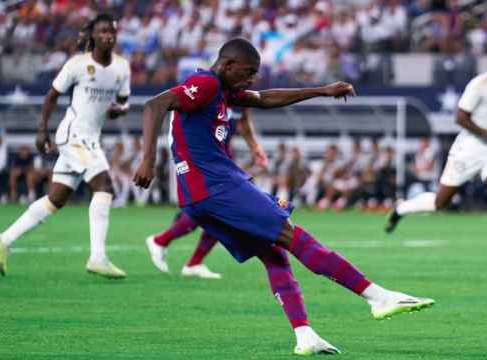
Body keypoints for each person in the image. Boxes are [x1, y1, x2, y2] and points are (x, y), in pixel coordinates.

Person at [133, 38, 434, 356]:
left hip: (199, 195)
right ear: (228, 64)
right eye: (248, 72)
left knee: (274, 253)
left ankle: (305, 336)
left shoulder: (221, 89)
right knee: (292, 234)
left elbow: (263, 99)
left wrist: (320, 91)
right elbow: (154, 104)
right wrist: (147, 160)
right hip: (217, 184)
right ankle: (377, 297)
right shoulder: (205, 82)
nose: (251, 80)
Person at [0, 14, 130, 278]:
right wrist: (42, 129)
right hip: (73, 134)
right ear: (93, 36)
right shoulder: (78, 64)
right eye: (102, 32)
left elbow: (123, 102)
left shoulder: (122, 67)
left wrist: (117, 112)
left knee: (57, 199)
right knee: (105, 187)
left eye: (112, 31)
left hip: (90, 137)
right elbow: (52, 95)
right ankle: (98, 257)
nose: (108, 36)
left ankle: (2, 240)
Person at [385, 41, 487, 272]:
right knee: (440, 203)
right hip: (468, 148)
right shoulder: (478, 85)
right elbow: (461, 118)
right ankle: (401, 209)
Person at [145, 107, 269, 279]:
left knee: (220, 212)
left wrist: (255, 147)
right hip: (203, 160)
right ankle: (165, 243)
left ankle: (187, 258)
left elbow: (243, 121)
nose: (249, 80)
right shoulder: (211, 90)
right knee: (213, 209)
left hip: (222, 160)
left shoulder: (239, 94)